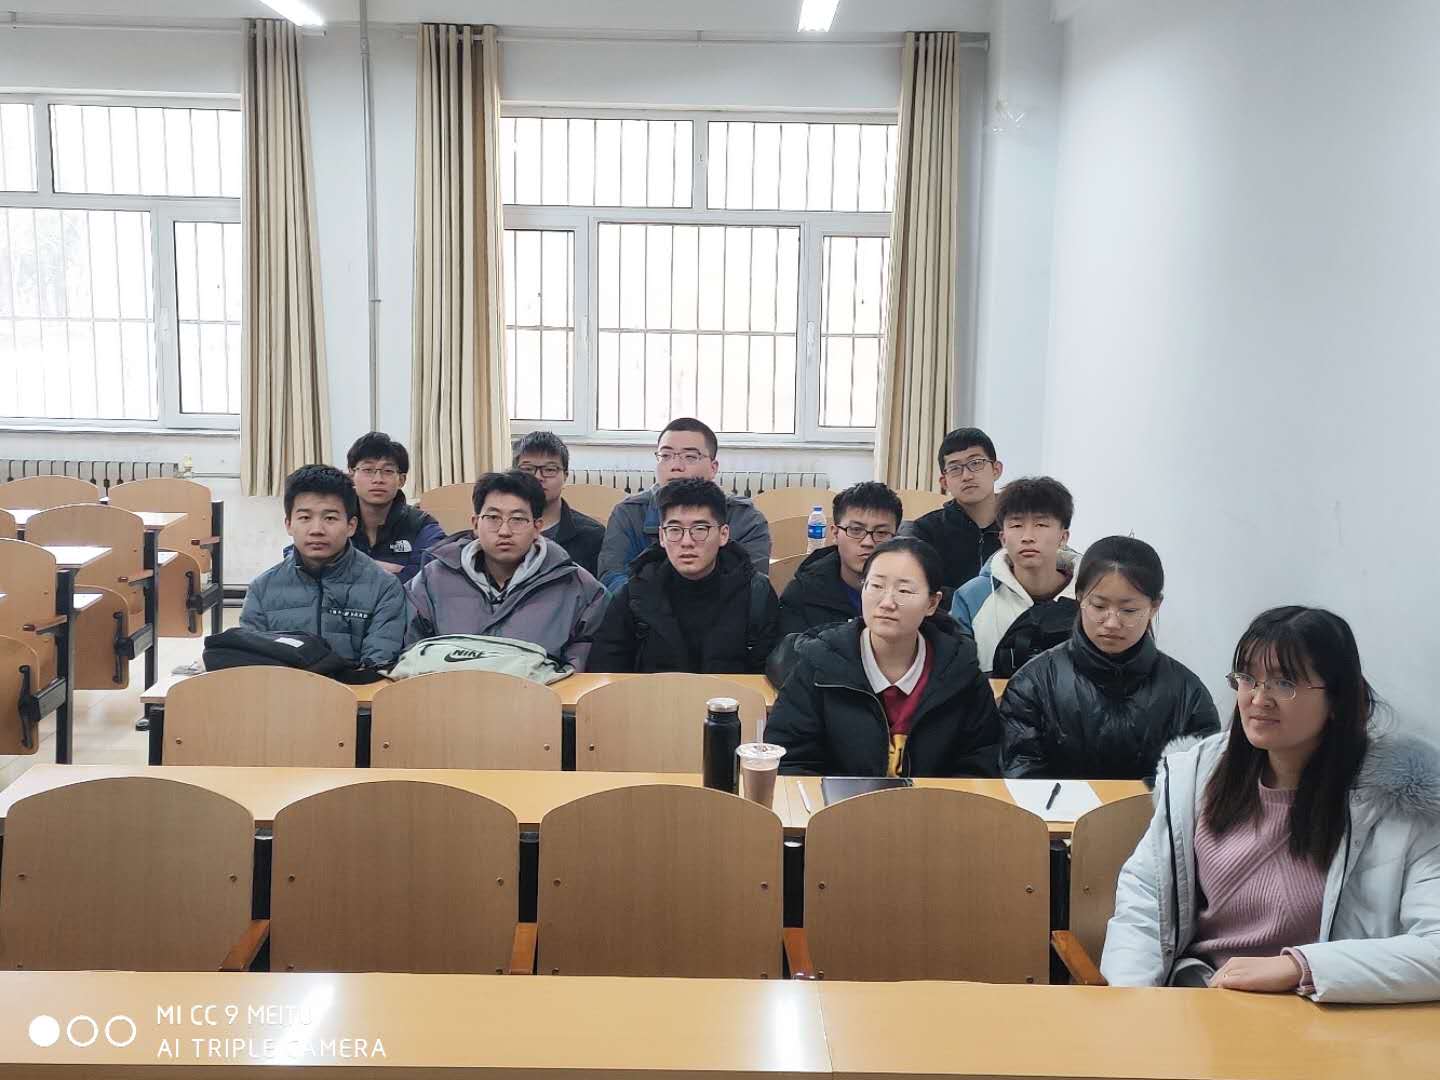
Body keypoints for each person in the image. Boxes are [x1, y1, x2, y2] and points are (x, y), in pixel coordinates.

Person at [1102, 607, 1440, 1003]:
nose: (1259, 699)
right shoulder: (1197, 775)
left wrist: (1301, 966)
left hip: (1326, 1012)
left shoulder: (1399, 802)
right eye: (1247, 678)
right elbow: (1145, 899)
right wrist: (1135, 1001)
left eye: (1284, 683)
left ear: (1337, 697)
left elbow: (1434, 947)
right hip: (1204, 1001)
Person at [766, 537, 1003, 778]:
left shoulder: (961, 672)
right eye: (877, 586)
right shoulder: (820, 663)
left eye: (904, 590)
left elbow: (981, 765)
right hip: (836, 802)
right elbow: (790, 759)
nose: (887, 602)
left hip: (934, 802)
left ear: (932, 603)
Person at [999, 536, 1219, 779]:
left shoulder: (1188, 694)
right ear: (1080, 598)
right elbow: (1022, 779)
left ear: (1154, 607)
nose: (1112, 623)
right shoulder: (1033, 684)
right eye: (1099, 606)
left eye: (1129, 610)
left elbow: (1200, 784)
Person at [405, 470, 607, 669]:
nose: (504, 531)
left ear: (537, 527)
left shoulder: (578, 587)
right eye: (493, 517)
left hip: (540, 690)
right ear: (475, 524)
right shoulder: (432, 579)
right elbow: (410, 655)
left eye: (517, 519)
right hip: (446, 688)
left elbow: (581, 670)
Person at [588, 478, 779, 673]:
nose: (687, 542)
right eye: (674, 530)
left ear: (723, 535)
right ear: (662, 537)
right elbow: (606, 671)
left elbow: (768, 677)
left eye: (700, 529)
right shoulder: (634, 594)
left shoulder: (755, 594)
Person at [241, 464, 406, 666]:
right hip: (282, 686)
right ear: (289, 525)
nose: (317, 529)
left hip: (356, 686)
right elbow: (251, 664)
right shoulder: (262, 589)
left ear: (351, 526)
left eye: (330, 518)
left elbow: (378, 664)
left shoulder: (384, 587)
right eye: (305, 518)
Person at [595, 417, 771, 590]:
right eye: (666, 456)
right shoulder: (629, 514)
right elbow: (613, 578)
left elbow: (752, 586)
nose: (676, 466)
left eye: (690, 457)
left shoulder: (745, 518)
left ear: (713, 468)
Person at [951, 476, 1081, 677]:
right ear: (1003, 538)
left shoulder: (1090, 597)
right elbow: (955, 672)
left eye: (1041, 524)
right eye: (1016, 525)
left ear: (1063, 537)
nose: (1028, 537)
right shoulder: (972, 597)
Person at [777, 482, 902, 638]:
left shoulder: (914, 593)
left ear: (896, 538)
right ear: (835, 534)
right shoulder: (802, 594)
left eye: (881, 533)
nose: (868, 542)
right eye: (856, 530)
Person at [906, 427, 1005, 591]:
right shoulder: (926, 532)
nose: (967, 476)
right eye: (955, 468)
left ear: (996, 470)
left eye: (976, 463)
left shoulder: (1019, 527)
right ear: (944, 482)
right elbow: (922, 591)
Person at [345, 431, 446, 583]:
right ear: (352, 475)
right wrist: (392, 570)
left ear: (401, 480)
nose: (378, 479)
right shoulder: (337, 521)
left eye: (387, 471)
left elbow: (429, 579)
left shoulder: (422, 525)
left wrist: (352, 567)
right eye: (368, 470)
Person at [513, 430, 605, 578]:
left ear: (565, 476)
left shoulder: (592, 536)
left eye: (549, 469)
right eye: (528, 469)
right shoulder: (498, 531)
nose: (538, 477)